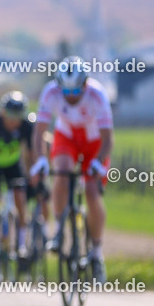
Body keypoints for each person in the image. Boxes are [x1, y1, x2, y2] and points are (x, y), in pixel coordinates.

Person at [29, 56, 113, 282]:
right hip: (66, 137)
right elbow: (39, 133)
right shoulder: (50, 92)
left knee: (92, 193)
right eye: (66, 92)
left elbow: (108, 140)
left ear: (85, 84)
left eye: (76, 92)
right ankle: (59, 230)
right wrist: (41, 159)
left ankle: (96, 253)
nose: (72, 97)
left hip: (95, 141)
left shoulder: (97, 95)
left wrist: (97, 162)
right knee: (61, 175)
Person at [0, 91, 34, 255]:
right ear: (3, 112)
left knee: (20, 199)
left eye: (17, 115)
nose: (13, 119)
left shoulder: (26, 126)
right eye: (10, 114)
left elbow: (30, 154)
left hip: (13, 165)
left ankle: (21, 244)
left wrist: (31, 174)